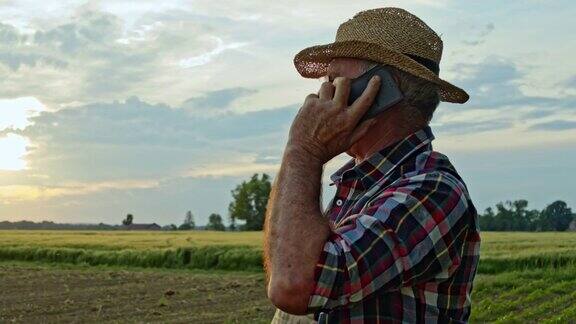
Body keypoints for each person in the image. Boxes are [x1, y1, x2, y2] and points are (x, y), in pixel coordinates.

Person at [264, 7, 481, 324]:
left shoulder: (431, 189)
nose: (322, 95)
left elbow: (293, 286)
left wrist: (302, 150)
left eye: (337, 82)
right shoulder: (364, 183)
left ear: (382, 92)